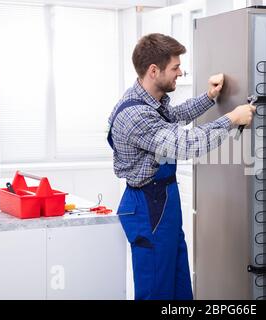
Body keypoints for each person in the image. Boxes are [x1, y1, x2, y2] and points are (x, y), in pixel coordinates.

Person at [107, 33, 255, 300]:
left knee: (178, 287)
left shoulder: (149, 100)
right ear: (154, 71)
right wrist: (232, 119)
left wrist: (210, 97)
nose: (180, 72)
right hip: (147, 206)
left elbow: (176, 115)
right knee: (157, 291)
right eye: (175, 67)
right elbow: (185, 144)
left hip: (163, 202)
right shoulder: (135, 114)